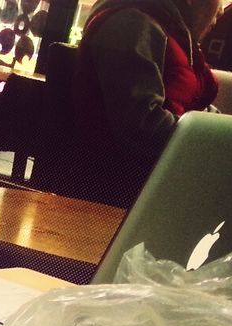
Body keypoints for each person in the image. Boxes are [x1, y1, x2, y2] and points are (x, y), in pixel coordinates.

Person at [71, 0, 223, 203]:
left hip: (153, 184)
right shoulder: (129, 24)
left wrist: (219, 130)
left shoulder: (160, 27)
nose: (221, 10)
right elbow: (141, 128)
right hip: (117, 193)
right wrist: (214, 141)